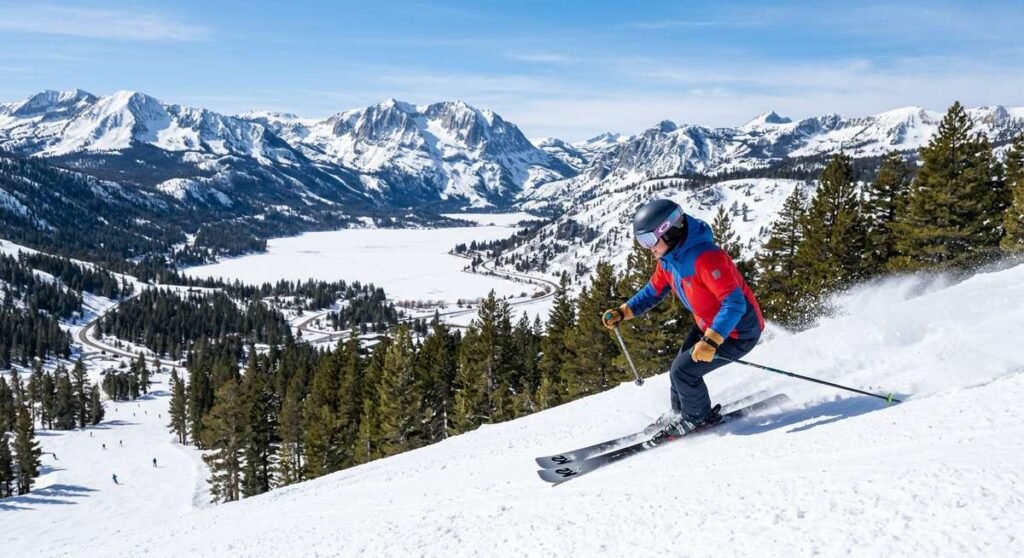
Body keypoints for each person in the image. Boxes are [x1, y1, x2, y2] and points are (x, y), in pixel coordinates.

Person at [603, 199, 764, 435]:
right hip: (708, 325)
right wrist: (624, 311)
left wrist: (711, 340)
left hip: (738, 331)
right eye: (641, 242)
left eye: (649, 240)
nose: (647, 248)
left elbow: (734, 303)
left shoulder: (706, 258)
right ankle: (680, 412)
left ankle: (697, 418)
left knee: (684, 371)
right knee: (677, 368)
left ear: (668, 231)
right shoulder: (669, 258)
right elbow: (653, 291)